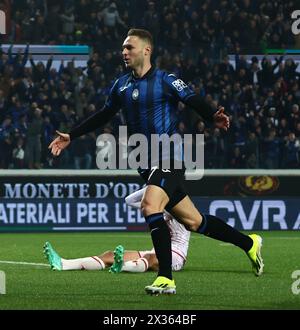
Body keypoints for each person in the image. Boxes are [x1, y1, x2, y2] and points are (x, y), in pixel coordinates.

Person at [49, 28, 263, 295]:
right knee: (195, 222)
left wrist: (212, 116)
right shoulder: (121, 85)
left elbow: (192, 98)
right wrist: (72, 134)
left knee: (150, 206)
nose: (124, 52)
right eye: (123, 48)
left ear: (146, 50)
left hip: (170, 157)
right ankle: (249, 244)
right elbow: (104, 114)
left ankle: (166, 278)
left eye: (130, 47)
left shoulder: (165, 80)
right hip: (146, 163)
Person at [43, 187, 190, 273]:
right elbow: (129, 200)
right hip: (157, 250)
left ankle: (123, 266)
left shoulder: (176, 205)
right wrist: (152, 186)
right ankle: (64, 264)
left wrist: (155, 186)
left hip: (176, 255)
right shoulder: (159, 204)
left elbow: (159, 206)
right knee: (109, 255)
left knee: (150, 259)